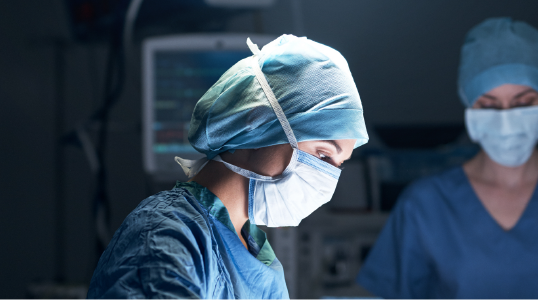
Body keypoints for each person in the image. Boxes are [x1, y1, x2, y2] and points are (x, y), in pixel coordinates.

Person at [356, 17, 538, 300]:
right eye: (489, 106)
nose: (506, 119)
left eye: (523, 103)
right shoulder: (425, 206)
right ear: (469, 107)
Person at [86, 34, 368, 300]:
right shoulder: (165, 235)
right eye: (323, 156)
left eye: (338, 166)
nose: (327, 179)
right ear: (258, 120)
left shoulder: (261, 261)